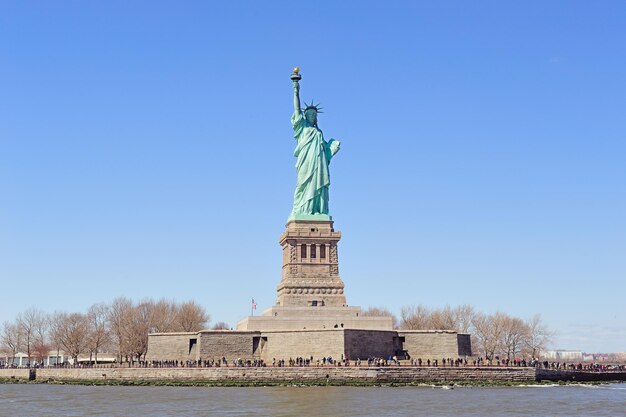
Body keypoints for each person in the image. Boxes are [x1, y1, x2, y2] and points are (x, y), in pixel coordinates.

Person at [290, 75, 340, 218]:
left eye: (314, 114)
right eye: (309, 114)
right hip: (306, 163)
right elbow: (297, 110)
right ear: (305, 116)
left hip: (318, 164)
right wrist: (296, 90)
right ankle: (302, 211)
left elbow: (325, 152)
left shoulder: (319, 132)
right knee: (302, 186)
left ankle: (317, 211)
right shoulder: (302, 127)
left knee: (319, 185)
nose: (312, 116)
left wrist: (332, 149)